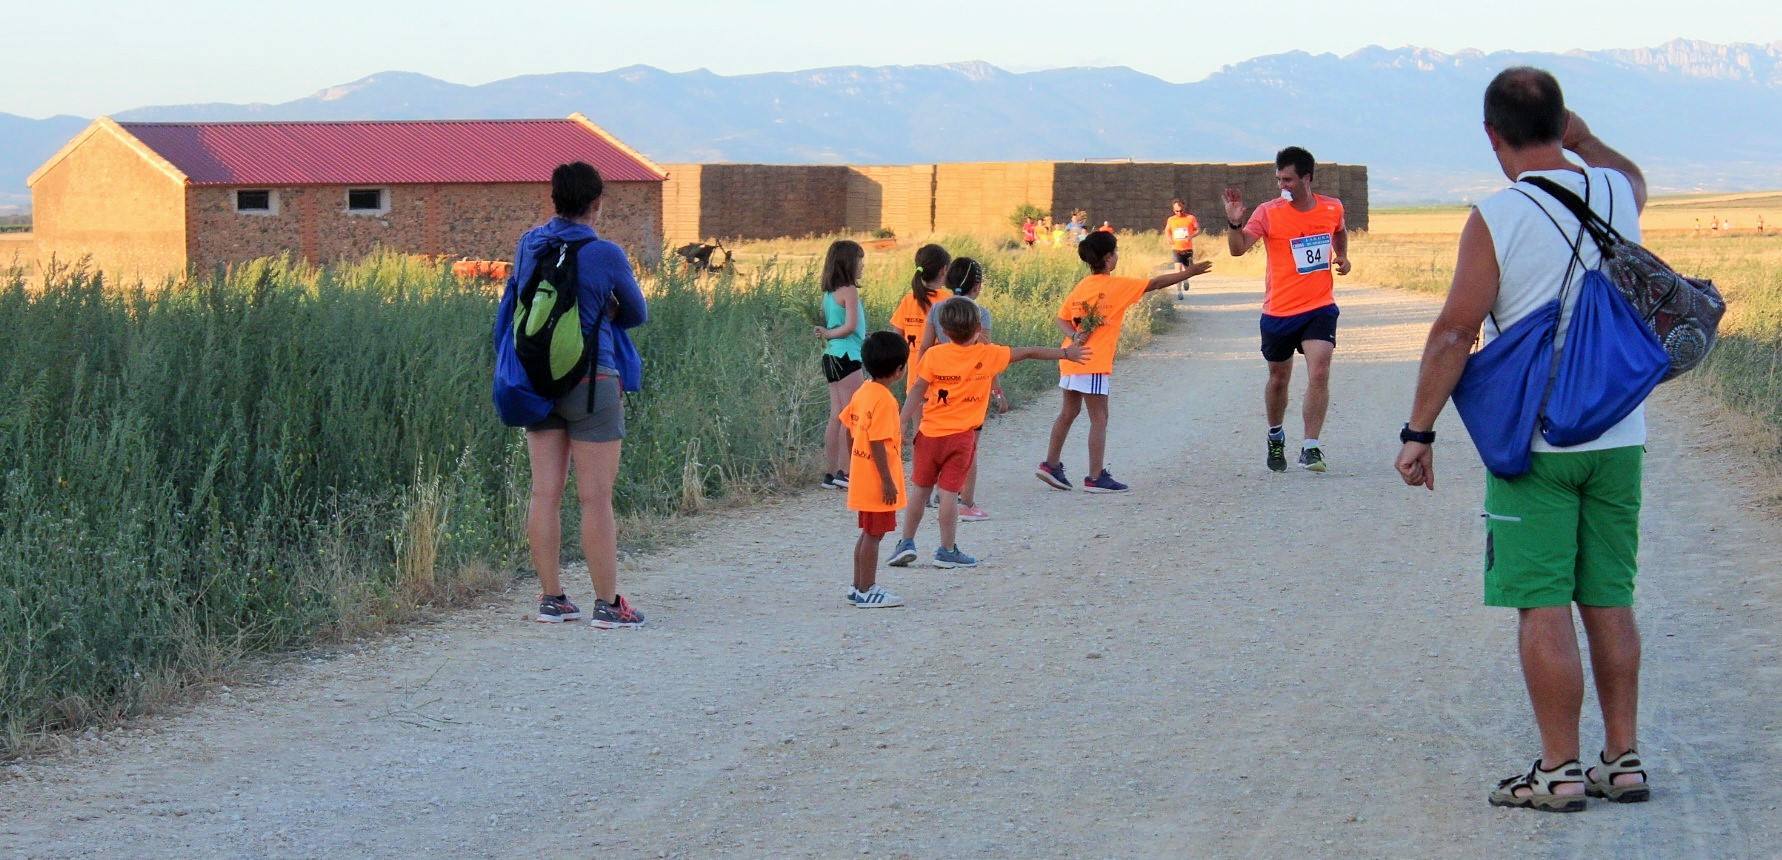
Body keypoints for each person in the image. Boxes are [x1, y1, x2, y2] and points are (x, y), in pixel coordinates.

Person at [1393, 67, 1653, 812]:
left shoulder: (1496, 214)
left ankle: (1558, 770)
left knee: (1542, 604)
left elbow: (1454, 331)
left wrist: (1419, 429)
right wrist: (1588, 141)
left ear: (1491, 135)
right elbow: (1635, 179)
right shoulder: (1611, 190)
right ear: (1563, 122)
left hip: (1535, 441)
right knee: (1609, 596)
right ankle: (1623, 759)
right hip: (1618, 434)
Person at [518, 161, 648, 628]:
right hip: (594, 381)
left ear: (553, 199)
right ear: (596, 203)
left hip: (537, 380)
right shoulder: (606, 253)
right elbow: (636, 313)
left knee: (544, 493)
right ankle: (608, 605)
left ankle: (551, 598)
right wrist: (606, 310)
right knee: (595, 498)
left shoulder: (529, 245)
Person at [890, 300, 1089, 568]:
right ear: (977, 330)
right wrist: (1066, 354)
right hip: (961, 438)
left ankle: (905, 543)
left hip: (929, 435)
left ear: (945, 331)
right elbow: (1028, 352)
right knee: (948, 494)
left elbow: (916, 391)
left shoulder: (933, 356)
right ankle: (947, 550)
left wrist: (902, 422)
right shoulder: (988, 354)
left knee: (920, 491)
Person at [1037, 231, 1211, 492]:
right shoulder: (1116, 285)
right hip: (1092, 361)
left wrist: (1074, 336)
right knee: (1100, 417)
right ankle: (1095, 477)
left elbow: (1061, 318)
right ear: (1108, 258)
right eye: (1115, 253)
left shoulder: (1083, 286)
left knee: (1069, 412)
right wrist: (1188, 273)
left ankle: (1050, 464)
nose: (1117, 257)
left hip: (1070, 358)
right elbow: (1154, 283)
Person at [1223, 146, 1351, 474]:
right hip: (1279, 311)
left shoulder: (1331, 207)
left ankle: (1311, 446)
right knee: (1278, 378)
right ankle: (1276, 434)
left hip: (1319, 306)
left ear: (1307, 178)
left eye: (1289, 179)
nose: (1283, 185)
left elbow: (1339, 230)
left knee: (1319, 370)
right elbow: (1238, 251)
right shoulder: (1268, 212)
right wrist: (1234, 224)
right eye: (1279, 179)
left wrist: (1342, 256)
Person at [915, 258, 1004, 522]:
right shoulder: (980, 313)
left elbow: (924, 347)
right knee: (968, 447)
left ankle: (932, 495)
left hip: (939, 385)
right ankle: (966, 502)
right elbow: (986, 355)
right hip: (970, 390)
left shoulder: (938, 309)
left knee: (935, 441)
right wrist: (997, 390)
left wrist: (920, 379)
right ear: (977, 286)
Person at [841, 331, 912, 608]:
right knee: (874, 534)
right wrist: (887, 481)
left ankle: (858, 587)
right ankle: (868, 589)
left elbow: (849, 428)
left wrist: (853, 462)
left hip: (862, 474)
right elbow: (878, 441)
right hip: (877, 480)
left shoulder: (863, 392)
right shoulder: (885, 401)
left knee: (867, 532)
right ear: (899, 370)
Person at [814, 240, 868, 491]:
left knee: (836, 413)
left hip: (831, 357)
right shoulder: (849, 291)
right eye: (859, 260)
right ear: (849, 263)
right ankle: (845, 472)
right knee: (852, 415)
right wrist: (829, 333)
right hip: (847, 355)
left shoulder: (828, 293)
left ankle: (830, 472)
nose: (862, 266)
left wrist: (829, 333)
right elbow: (847, 327)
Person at [890, 244, 950, 394]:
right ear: (943, 270)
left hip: (915, 380)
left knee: (918, 418)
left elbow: (896, 339)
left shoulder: (908, 300)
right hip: (943, 378)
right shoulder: (949, 301)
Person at [1165, 198, 1202, 301]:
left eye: (1181, 210)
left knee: (1187, 269)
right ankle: (1179, 292)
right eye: (1176, 211)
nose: (1179, 213)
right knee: (1178, 271)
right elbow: (1167, 231)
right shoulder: (1171, 219)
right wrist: (1169, 239)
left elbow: (1198, 230)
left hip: (1187, 248)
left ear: (1183, 208)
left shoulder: (1190, 218)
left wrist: (1191, 236)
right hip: (1176, 249)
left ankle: (1186, 280)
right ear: (1173, 210)